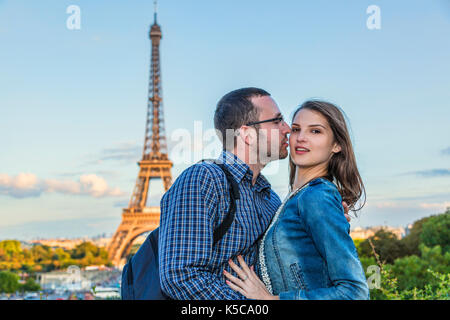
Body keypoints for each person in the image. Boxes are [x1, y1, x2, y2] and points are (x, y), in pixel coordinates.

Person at [159, 89, 350, 299]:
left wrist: (322, 224)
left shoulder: (270, 199)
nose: (288, 129)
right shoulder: (204, 179)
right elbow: (180, 276)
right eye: (277, 121)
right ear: (247, 134)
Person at [224, 100, 370, 300]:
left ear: (336, 145)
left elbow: (355, 293)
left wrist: (272, 300)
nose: (301, 138)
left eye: (315, 131)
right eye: (296, 129)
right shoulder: (294, 199)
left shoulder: (317, 197)